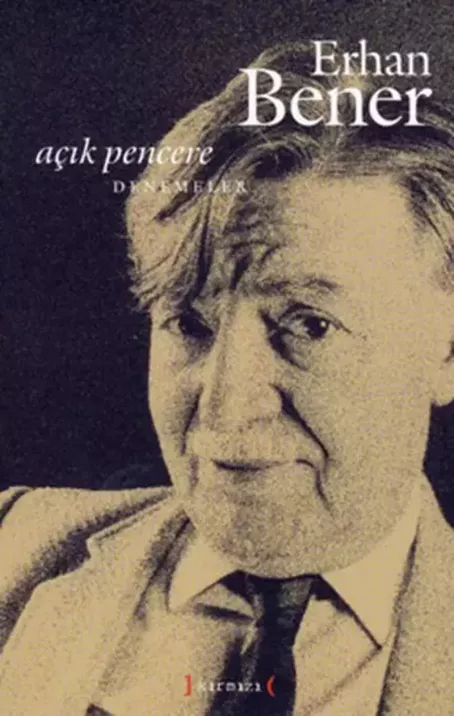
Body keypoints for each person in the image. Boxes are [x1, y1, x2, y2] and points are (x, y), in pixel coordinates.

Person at [1, 42, 453, 716]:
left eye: (309, 325)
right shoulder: (15, 545)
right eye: (188, 322)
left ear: (445, 351)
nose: (226, 407)